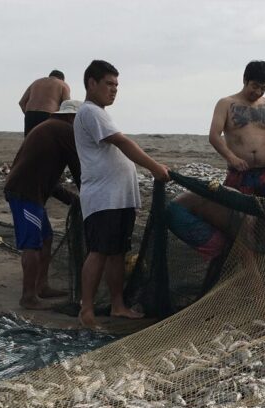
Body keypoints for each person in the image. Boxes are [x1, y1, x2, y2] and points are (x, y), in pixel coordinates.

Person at [73, 60, 170, 328]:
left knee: (117, 252)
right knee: (99, 251)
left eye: (116, 85)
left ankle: (118, 305)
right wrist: (154, 167)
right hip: (103, 198)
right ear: (91, 83)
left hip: (119, 198)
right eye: (109, 84)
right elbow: (122, 142)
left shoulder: (100, 113)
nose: (114, 89)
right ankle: (87, 309)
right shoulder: (90, 111)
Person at [3, 100, 85, 310]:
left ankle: (42, 286)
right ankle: (28, 297)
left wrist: (72, 199)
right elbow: (78, 169)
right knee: (32, 244)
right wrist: (90, 196)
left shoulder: (49, 128)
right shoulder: (65, 130)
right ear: (72, 117)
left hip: (31, 193)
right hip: (24, 194)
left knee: (46, 238)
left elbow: (47, 176)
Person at [209, 61, 265, 199]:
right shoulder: (226, 104)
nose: (258, 92)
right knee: (236, 210)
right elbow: (214, 136)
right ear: (245, 80)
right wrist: (232, 158)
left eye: (263, 88)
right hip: (239, 173)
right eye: (255, 86)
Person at [19, 70, 71, 136]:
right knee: (46, 141)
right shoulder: (62, 84)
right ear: (62, 79)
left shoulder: (36, 82)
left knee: (30, 140)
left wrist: (28, 115)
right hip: (48, 115)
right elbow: (67, 106)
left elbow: (22, 102)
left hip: (30, 114)